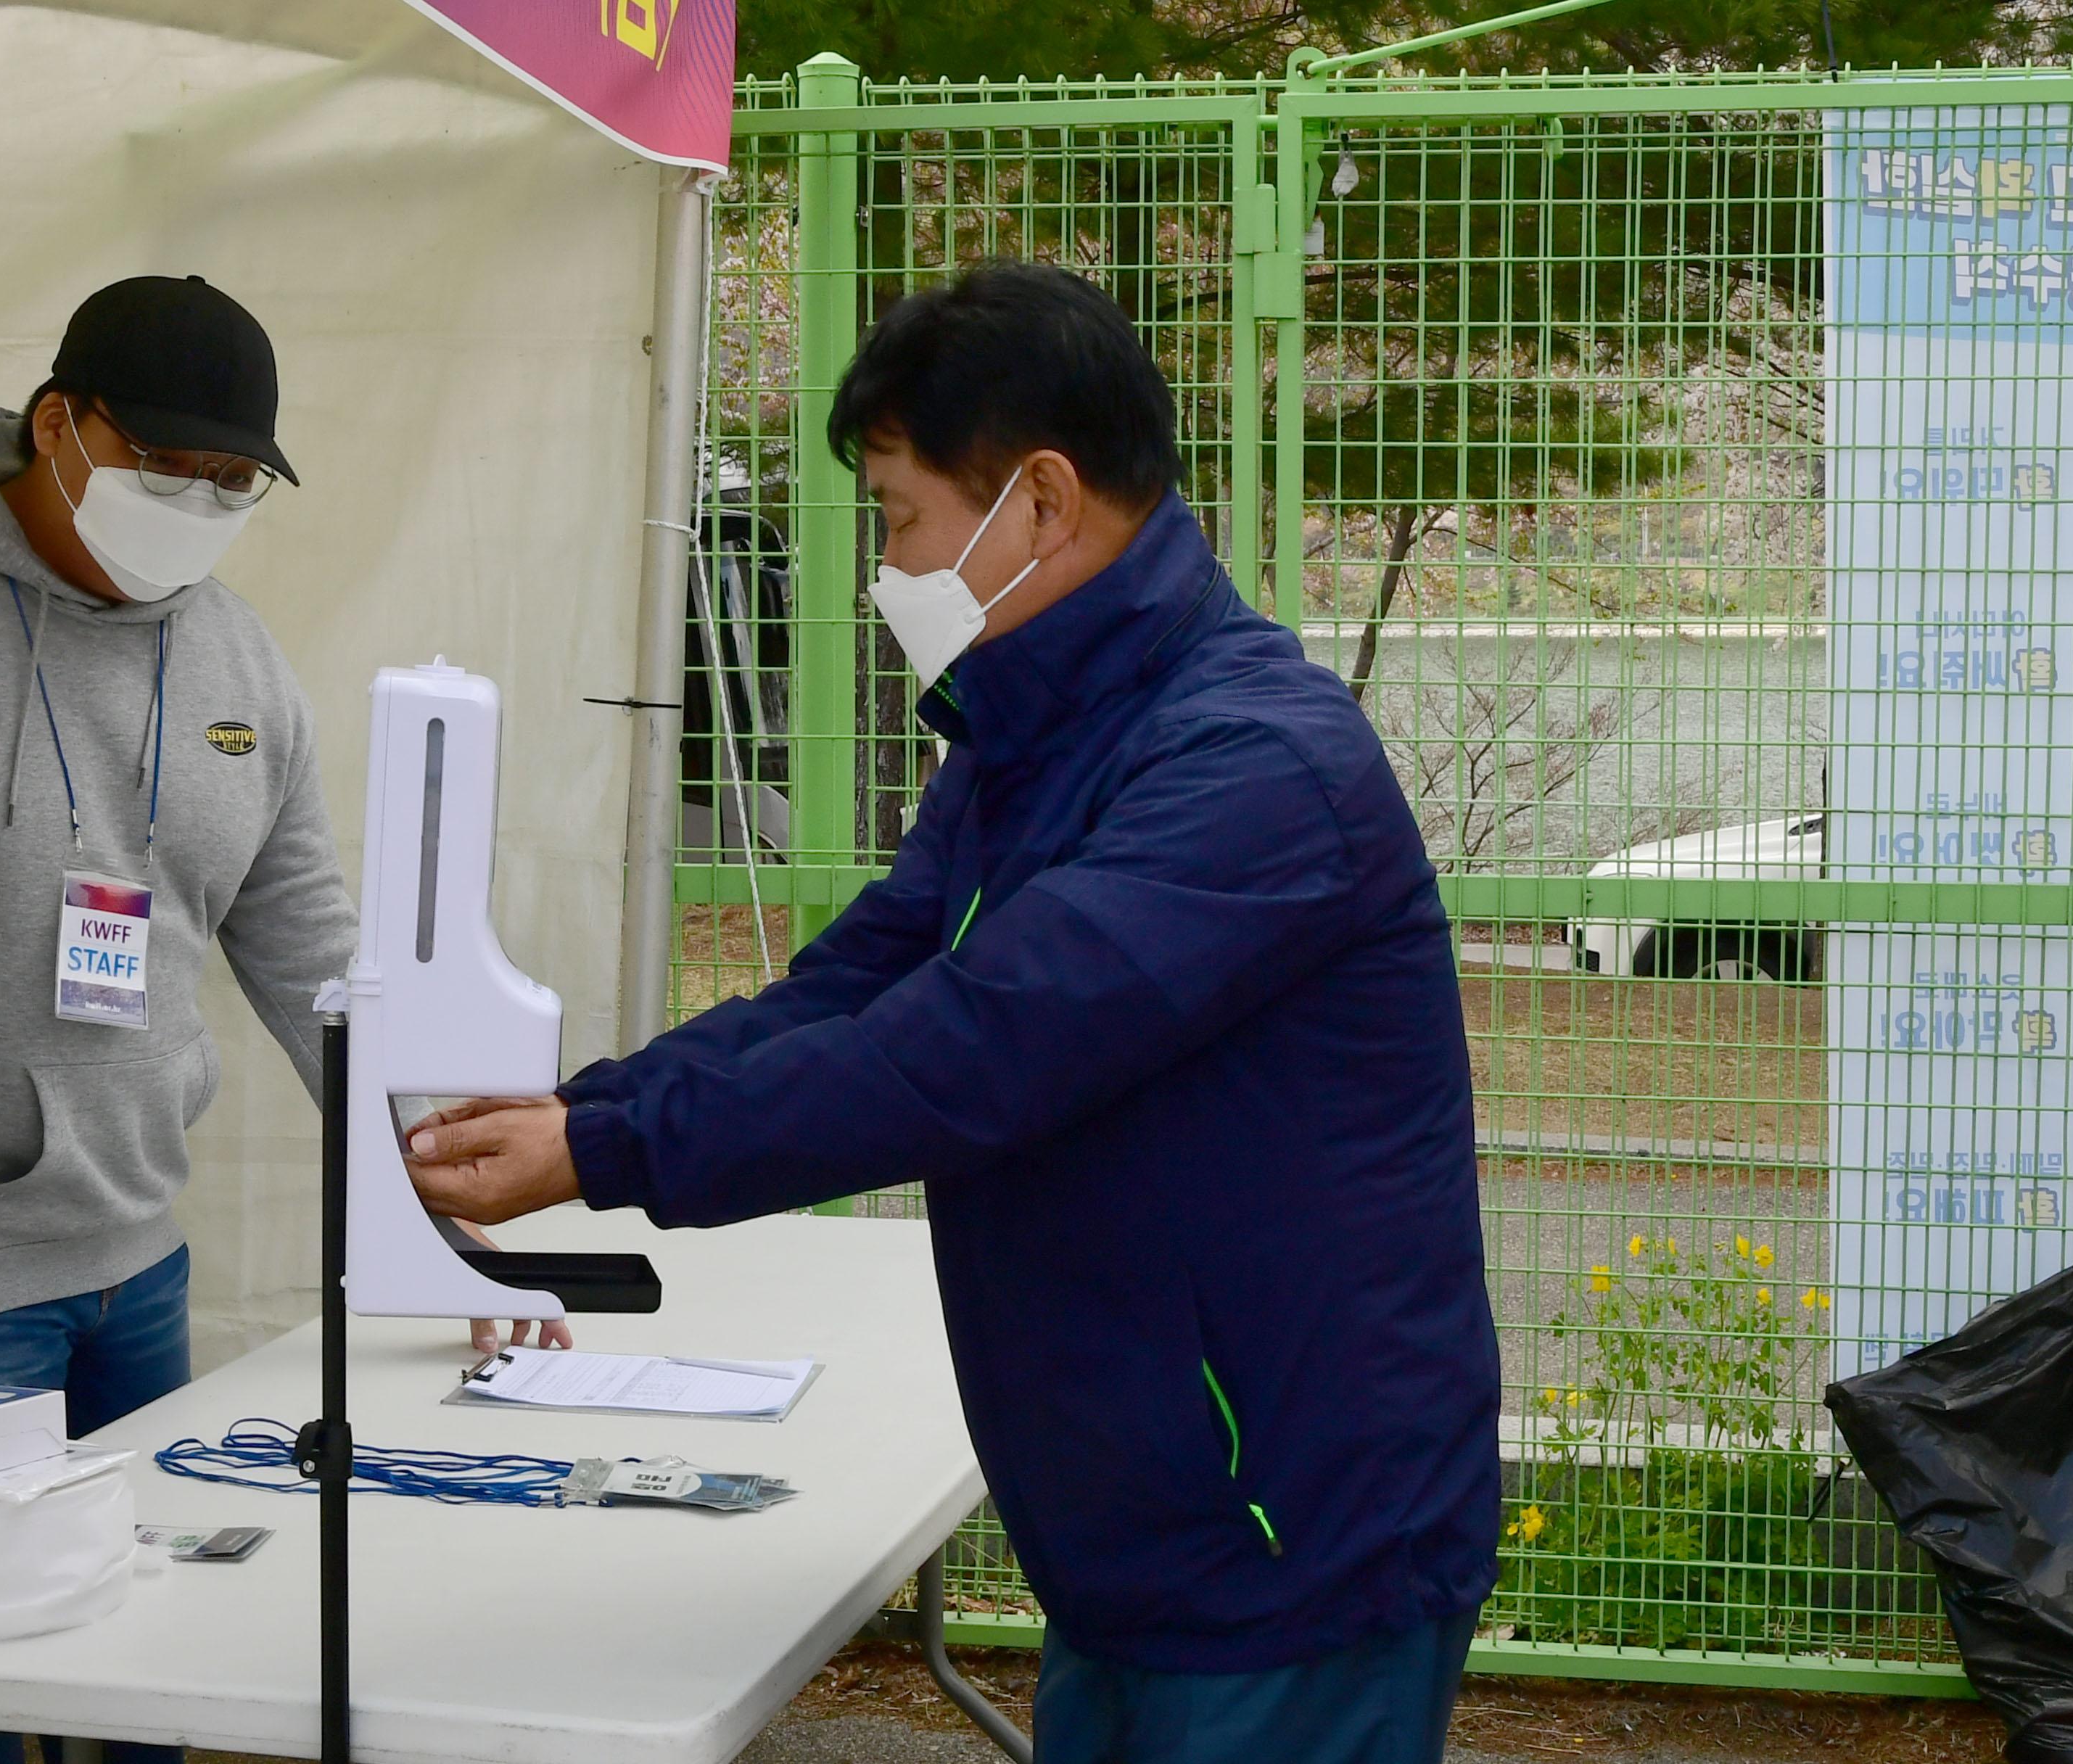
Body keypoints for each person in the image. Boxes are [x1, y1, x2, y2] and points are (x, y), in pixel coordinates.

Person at [404, 262, 1500, 1764]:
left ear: (1040, 503)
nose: (887, 568)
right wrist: (589, 1112)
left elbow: (980, 1043)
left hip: (1286, 1542)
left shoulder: (1257, 765)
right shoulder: (1024, 740)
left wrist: (616, 1157)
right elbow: (859, 983)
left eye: (902, 517)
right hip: (1142, 1528)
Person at [0, 275, 550, 1764]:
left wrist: (428, 1173)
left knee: (145, 1657)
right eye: (167, 466)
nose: (200, 501)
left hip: (137, 1258)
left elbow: (307, 937)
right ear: (58, 425)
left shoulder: (233, 656)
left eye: (234, 481)